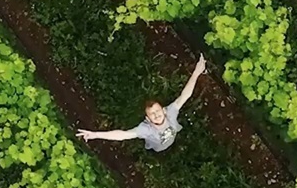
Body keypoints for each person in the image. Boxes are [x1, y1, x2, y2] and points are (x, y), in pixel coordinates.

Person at [77, 55, 206, 152]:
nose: (156, 115)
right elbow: (122, 135)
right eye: (152, 114)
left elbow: (185, 95)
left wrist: (196, 73)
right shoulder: (146, 129)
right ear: (147, 119)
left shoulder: (171, 111)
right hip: (157, 148)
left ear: (164, 110)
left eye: (157, 111)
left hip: (172, 137)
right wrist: (95, 135)